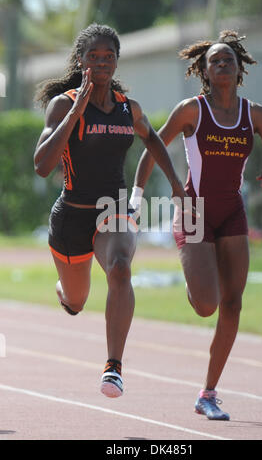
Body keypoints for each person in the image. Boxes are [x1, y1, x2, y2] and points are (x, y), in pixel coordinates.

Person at [131, 30, 262, 420]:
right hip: (194, 210)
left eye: (228, 60)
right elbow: (153, 144)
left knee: (233, 305)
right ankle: (198, 277)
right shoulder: (191, 110)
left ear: (239, 71)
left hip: (232, 212)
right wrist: (137, 197)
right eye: (214, 60)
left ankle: (208, 392)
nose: (222, 64)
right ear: (203, 70)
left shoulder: (255, 114)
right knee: (207, 305)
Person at [34, 23, 186, 399]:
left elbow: (152, 139)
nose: (102, 62)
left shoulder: (127, 108)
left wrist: (177, 185)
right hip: (71, 216)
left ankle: (113, 367)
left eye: (109, 57)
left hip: (112, 210)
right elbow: (42, 164)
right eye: (94, 56)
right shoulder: (64, 104)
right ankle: (65, 292)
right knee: (76, 301)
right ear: (81, 61)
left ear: (117, 62)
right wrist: (77, 112)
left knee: (120, 268)